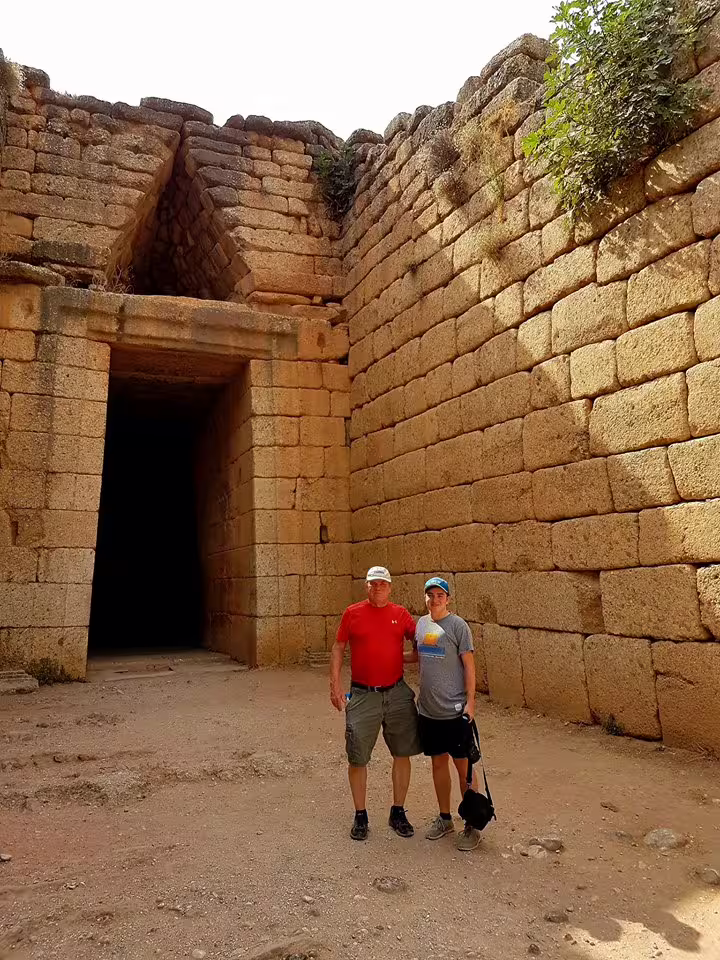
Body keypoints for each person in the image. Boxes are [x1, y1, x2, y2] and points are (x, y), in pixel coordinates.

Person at [329, 566, 421, 841]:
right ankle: (360, 814)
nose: (377, 588)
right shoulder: (352, 613)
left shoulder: (400, 614)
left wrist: (398, 657)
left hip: (396, 692)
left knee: (402, 752)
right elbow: (338, 647)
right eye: (373, 584)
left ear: (390, 587)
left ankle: (398, 811)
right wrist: (334, 685)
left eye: (382, 584)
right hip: (362, 694)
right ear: (366, 587)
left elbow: (420, 644)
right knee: (357, 756)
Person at [414, 576, 481, 852]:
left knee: (464, 768)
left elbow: (469, 665)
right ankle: (445, 818)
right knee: (438, 764)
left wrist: (470, 701)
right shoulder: (421, 624)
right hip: (429, 711)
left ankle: (473, 823)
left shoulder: (458, 626)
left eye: (440, 595)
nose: (435, 599)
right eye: (430, 595)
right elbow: (419, 655)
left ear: (448, 599)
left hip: (454, 711)